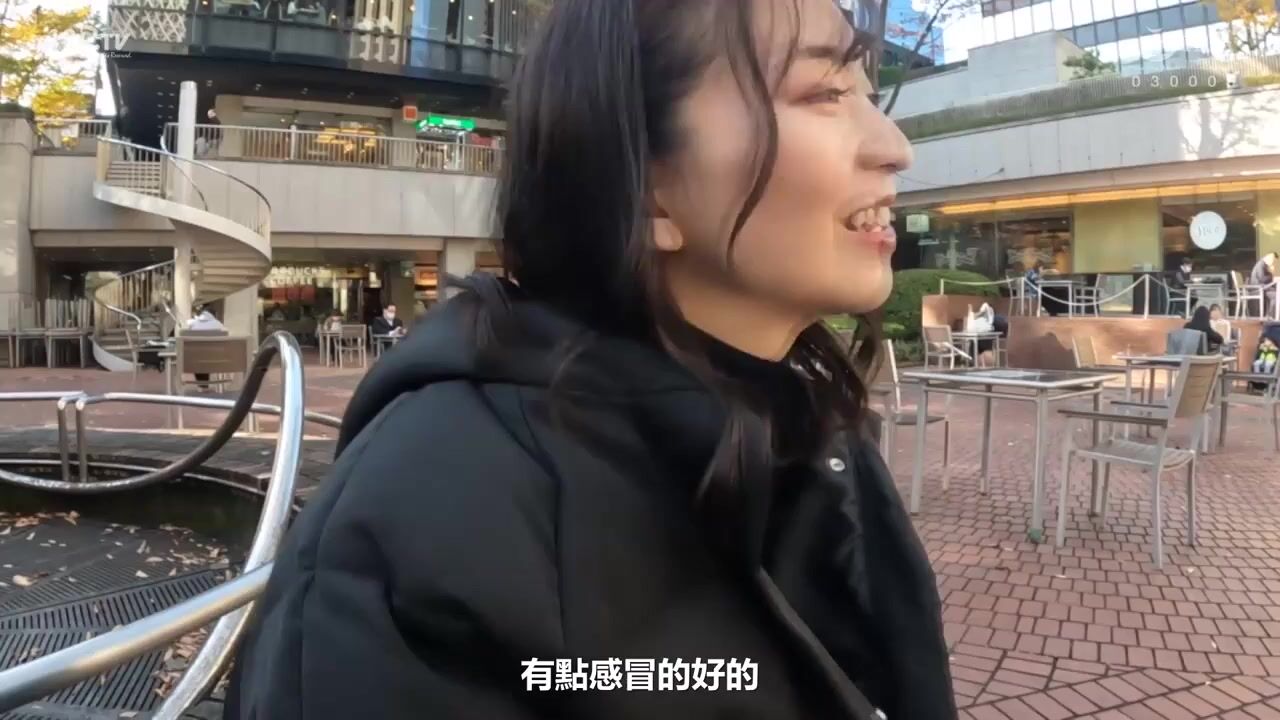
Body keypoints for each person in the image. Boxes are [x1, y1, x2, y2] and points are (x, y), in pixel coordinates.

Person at [226, 1, 954, 719]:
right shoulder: (432, 513)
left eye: (866, 93)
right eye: (824, 91)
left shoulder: (818, 430)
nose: (896, 147)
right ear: (644, 183)